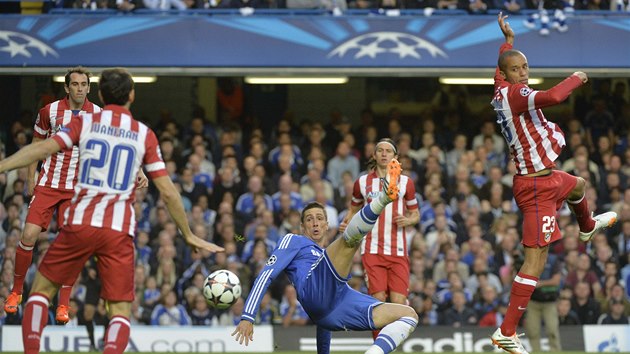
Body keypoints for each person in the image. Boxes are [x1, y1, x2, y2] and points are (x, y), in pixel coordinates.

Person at [0, 67, 223, 354]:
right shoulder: (144, 134)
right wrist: (188, 233)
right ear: (132, 94)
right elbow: (167, 191)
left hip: (80, 222)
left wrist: (3, 165)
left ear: (101, 94)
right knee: (119, 311)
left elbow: (41, 149)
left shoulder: (87, 123)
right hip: (118, 231)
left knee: (40, 292)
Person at [489, 13, 618, 354]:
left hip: (548, 179)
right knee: (535, 262)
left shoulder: (500, 84)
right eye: (517, 69)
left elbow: (502, 61)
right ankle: (505, 332)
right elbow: (555, 97)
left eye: (525, 67)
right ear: (506, 75)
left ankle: (587, 226)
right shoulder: (516, 94)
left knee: (578, 184)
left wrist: (509, 41)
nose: (524, 73)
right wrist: (576, 77)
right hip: (535, 189)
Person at [232, 159, 419, 354]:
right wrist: (247, 315)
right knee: (349, 240)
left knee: (408, 315)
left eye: (319, 219)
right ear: (302, 227)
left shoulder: (328, 258)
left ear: (326, 225)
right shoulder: (294, 241)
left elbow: (323, 318)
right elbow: (266, 274)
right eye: (309, 220)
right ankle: (383, 198)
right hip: (312, 291)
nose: (315, 223)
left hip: (335, 305)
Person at [4, 66, 105, 325]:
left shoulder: (98, 115)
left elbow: (114, 144)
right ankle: (16, 292)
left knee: (70, 243)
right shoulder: (49, 112)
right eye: (75, 84)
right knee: (28, 235)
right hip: (49, 183)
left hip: (78, 188)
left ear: (89, 88)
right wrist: (30, 177)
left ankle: (63, 304)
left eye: (84, 84)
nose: (80, 88)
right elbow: (36, 146)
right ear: (67, 87)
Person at [340, 139, 419, 339]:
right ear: (374, 155)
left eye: (388, 151)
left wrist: (408, 220)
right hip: (371, 249)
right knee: (378, 300)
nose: (384, 154)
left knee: (398, 303)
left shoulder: (406, 182)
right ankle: (379, 347)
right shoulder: (362, 182)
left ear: (395, 157)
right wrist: (346, 222)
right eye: (380, 151)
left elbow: (415, 213)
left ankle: (389, 343)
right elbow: (353, 208)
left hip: (398, 251)